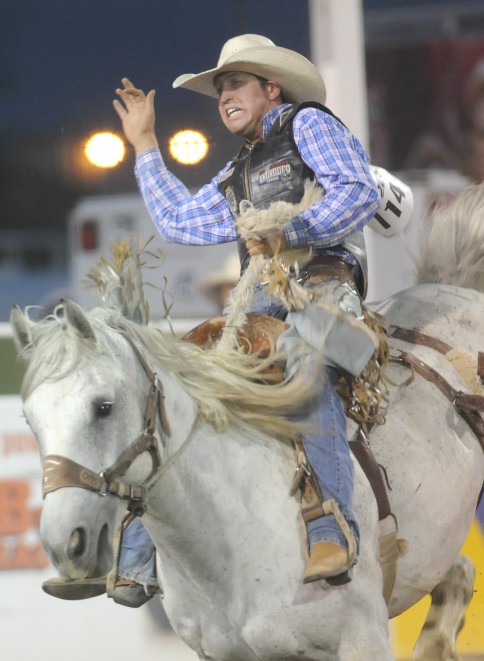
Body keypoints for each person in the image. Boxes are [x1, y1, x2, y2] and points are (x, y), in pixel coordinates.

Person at [43, 34, 407, 606]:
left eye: (235, 83)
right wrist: (144, 146)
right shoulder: (239, 169)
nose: (224, 96)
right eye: (220, 90)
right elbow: (182, 222)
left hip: (322, 288)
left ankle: (331, 526)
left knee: (302, 361)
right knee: (176, 389)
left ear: (271, 87)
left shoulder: (307, 125)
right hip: (262, 302)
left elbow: (357, 190)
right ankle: (138, 553)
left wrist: (291, 231)